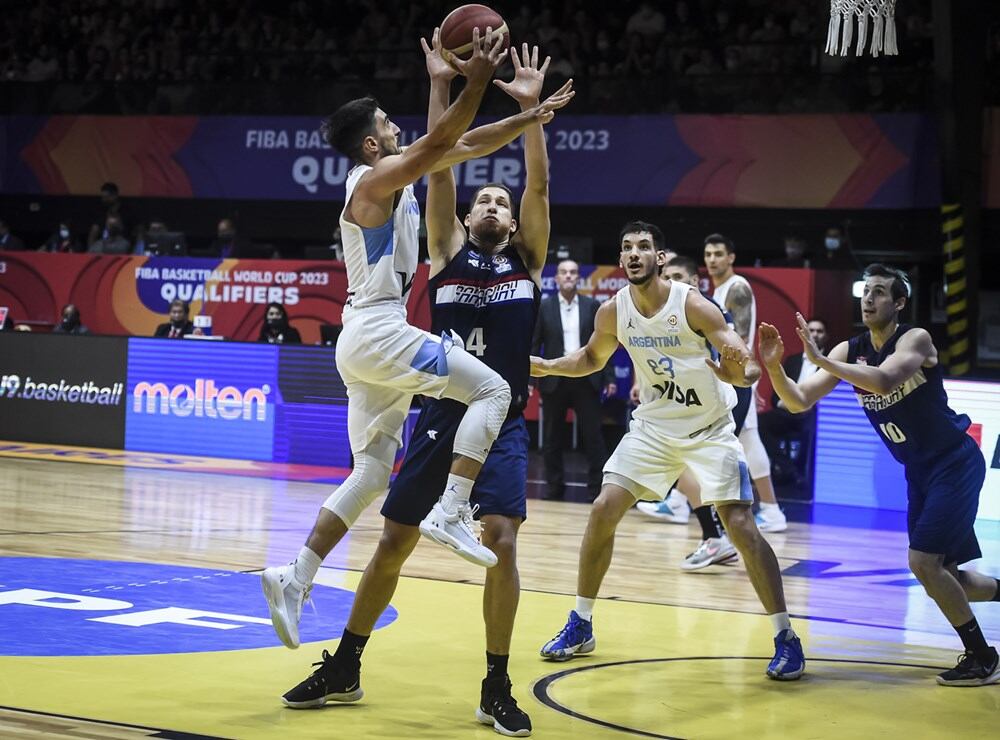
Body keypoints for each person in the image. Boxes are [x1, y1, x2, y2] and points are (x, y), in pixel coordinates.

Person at [261, 25, 573, 679]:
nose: (394, 125)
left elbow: (453, 148)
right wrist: (476, 83)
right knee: (493, 388)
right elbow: (440, 151)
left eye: (500, 201)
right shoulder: (386, 189)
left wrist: (527, 116)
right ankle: (450, 516)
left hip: (376, 344)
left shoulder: (427, 193)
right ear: (373, 141)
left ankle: (296, 574)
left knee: (371, 472)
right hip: (388, 343)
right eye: (384, 121)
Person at [534, 222, 805, 680]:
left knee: (739, 524)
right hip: (655, 428)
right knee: (603, 509)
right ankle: (581, 623)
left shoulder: (693, 304)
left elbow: (743, 364)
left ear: (660, 258)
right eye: (627, 248)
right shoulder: (613, 311)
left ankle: (785, 636)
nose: (634, 254)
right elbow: (591, 359)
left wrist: (742, 374)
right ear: (621, 260)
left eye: (644, 247)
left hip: (709, 427)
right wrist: (546, 366)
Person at [759, 264, 1000, 686]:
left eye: (880, 292)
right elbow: (797, 402)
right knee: (947, 575)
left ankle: (983, 657)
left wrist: (821, 361)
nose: (868, 299)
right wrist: (775, 366)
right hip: (920, 471)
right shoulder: (848, 350)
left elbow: (887, 380)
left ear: (900, 302)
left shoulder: (914, 338)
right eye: (865, 291)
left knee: (923, 563)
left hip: (954, 461)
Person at [636, 253, 754, 571]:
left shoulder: (707, 311)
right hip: (691, 399)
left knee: (701, 467)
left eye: (676, 278)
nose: (669, 285)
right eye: (666, 278)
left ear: (694, 282)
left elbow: (735, 358)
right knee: (682, 465)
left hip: (725, 394)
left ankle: (721, 534)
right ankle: (713, 535)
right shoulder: (666, 313)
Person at [704, 233, 786, 532]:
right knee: (750, 442)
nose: (712, 259)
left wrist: (743, 380)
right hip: (736, 380)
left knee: (714, 441)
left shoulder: (737, 288)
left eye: (718, 253)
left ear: (731, 257)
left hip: (734, 379)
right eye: (708, 254)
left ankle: (684, 501)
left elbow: (736, 339)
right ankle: (772, 510)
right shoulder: (720, 289)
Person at [532, 259, 616, 500]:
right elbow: (535, 343)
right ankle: (554, 488)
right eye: (563, 273)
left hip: (586, 377)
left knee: (593, 437)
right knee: (552, 438)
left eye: (572, 273)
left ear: (579, 278)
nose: (568, 276)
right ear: (556, 278)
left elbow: (605, 345)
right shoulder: (544, 307)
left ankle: (595, 489)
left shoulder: (592, 306)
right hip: (553, 379)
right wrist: (529, 380)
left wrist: (609, 377)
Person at [758, 317, 829, 485]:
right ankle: (789, 469)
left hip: (813, 414)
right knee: (761, 422)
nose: (815, 334)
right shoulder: (793, 360)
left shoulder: (830, 363)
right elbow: (775, 395)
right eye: (811, 330)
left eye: (820, 331)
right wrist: (787, 404)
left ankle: (804, 477)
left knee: (812, 426)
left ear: (826, 336)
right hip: (787, 411)